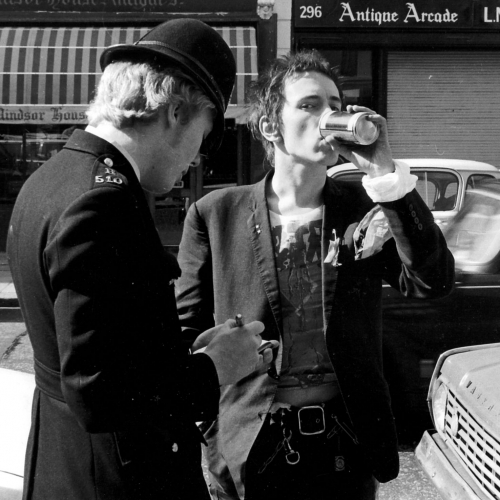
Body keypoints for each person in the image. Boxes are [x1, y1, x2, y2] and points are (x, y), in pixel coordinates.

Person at [7, 19, 273, 500]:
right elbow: (100, 393)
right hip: (118, 481)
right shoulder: (102, 204)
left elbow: (104, 352)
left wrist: (184, 355)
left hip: (65, 467)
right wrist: (218, 367)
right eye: (206, 134)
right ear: (175, 112)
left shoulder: (51, 178)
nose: (199, 159)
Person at [175, 50, 455, 500]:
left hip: (345, 445)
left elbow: (432, 281)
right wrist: (213, 431)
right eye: (308, 104)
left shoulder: (365, 205)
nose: (328, 115)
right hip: (252, 449)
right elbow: (186, 331)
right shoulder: (214, 215)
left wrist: (384, 175)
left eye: (334, 103)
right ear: (271, 126)